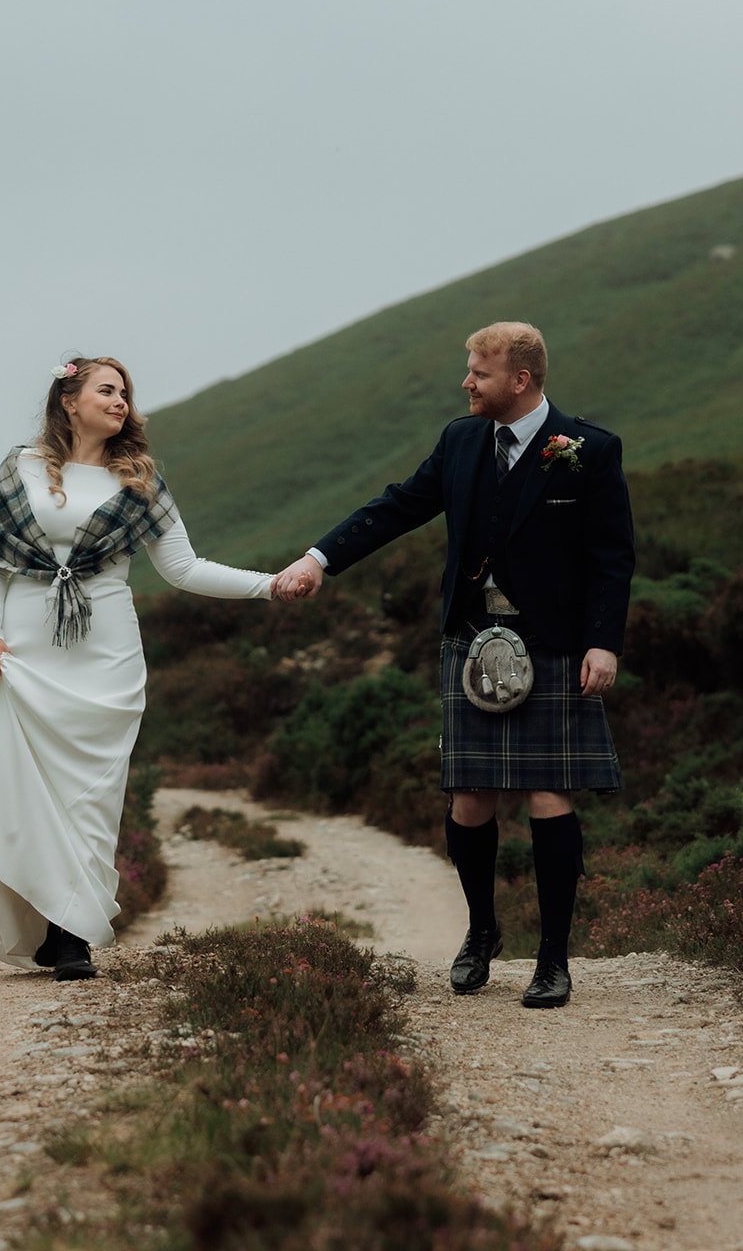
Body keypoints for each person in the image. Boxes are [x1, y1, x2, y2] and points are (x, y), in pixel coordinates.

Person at [274, 321, 634, 1008]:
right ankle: (481, 930)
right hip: (471, 639)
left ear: (520, 380)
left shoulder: (588, 450)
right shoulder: (460, 440)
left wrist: (603, 642)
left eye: (479, 371)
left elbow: (610, 556)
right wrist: (318, 559)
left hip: (554, 643)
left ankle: (553, 959)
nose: (465, 382)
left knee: (548, 796)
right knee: (468, 796)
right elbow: (397, 506)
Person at [0, 356, 274, 982]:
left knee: (92, 795)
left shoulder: (140, 480)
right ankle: (48, 918)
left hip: (107, 651)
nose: (121, 400)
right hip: (26, 649)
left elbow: (183, 569)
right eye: (107, 390)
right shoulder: (18, 468)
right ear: (69, 399)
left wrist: (270, 585)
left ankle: (74, 934)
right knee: (26, 788)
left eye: (125, 392)